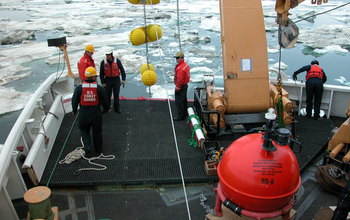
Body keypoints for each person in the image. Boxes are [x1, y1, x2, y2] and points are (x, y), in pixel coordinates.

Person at [72, 67, 110, 156]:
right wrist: (106, 109)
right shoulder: (99, 88)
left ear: (85, 76)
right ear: (94, 77)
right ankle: (98, 150)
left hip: (83, 114)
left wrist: (74, 110)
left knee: (84, 130)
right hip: (95, 114)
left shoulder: (79, 88)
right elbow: (105, 100)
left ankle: (87, 147)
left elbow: (74, 100)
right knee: (97, 132)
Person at [173, 51, 190, 121]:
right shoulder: (185, 65)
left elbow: (180, 79)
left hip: (181, 86)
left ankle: (180, 115)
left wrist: (177, 87)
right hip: (185, 85)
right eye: (176, 58)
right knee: (184, 100)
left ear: (181, 58)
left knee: (179, 101)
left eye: (177, 58)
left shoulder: (180, 68)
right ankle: (185, 113)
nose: (176, 59)